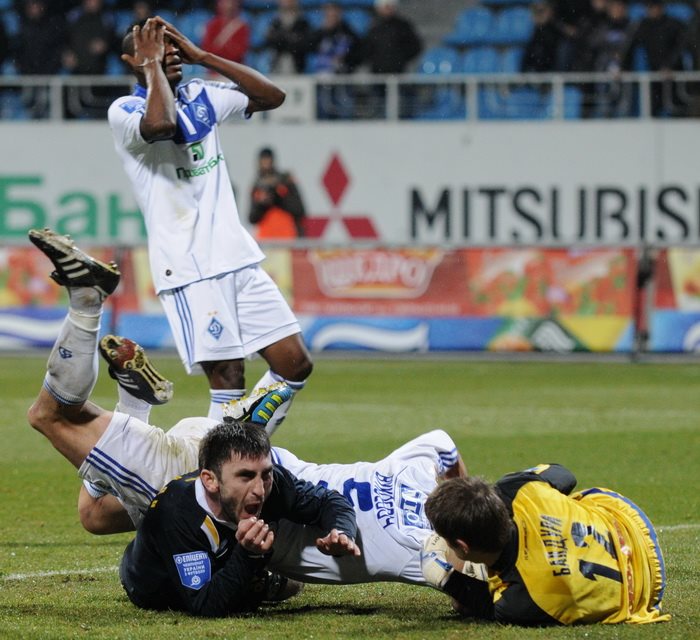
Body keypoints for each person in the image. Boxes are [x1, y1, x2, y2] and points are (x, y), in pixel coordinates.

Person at [26, 227, 479, 598]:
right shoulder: (418, 545)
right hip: (198, 472)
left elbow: (444, 447)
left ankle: (143, 403)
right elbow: (480, 590)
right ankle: (87, 300)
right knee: (51, 417)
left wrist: (463, 492)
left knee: (95, 515)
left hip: (243, 458)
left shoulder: (415, 469)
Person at [107, 16, 313, 429]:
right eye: (156, 48)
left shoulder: (201, 94)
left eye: (171, 46)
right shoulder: (125, 111)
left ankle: (237, 449)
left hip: (236, 256)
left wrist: (204, 57)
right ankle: (225, 464)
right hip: (189, 267)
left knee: (294, 365)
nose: (169, 53)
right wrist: (152, 67)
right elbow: (161, 125)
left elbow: (272, 96)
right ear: (133, 60)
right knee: (229, 377)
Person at [422, 464, 670, 625]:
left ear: (463, 546)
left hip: (642, 594)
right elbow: (565, 475)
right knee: (565, 501)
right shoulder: (518, 489)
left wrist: (447, 580)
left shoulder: (521, 599)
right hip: (629, 523)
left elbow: (486, 607)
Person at [621, 0, 686, 116]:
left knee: (677, 109)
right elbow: (630, 47)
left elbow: (680, 48)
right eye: (649, 7)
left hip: (674, 74)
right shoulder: (643, 25)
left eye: (655, 7)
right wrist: (622, 67)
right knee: (652, 109)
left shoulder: (674, 25)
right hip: (654, 75)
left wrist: (669, 66)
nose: (652, 10)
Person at [248, 147, 307, 240]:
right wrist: (263, 204)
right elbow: (252, 218)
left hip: (288, 237)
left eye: (268, 160)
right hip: (265, 239)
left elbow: (300, 211)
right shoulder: (258, 186)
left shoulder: (285, 182)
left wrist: (280, 197)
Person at [264, 0, 312, 74]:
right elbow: (270, 41)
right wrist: (290, 38)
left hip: (297, 66)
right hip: (277, 64)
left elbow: (304, 44)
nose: (286, 2)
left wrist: (282, 39)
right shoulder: (275, 21)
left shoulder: (302, 22)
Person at [200, 0, 250, 69]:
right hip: (214, 69)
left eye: (231, 2)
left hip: (234, 69)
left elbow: (239, 53)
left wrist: (218, 52)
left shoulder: (242, 26)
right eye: (225, 2)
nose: (228, 5)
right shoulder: (212, 24)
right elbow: (206, 49)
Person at [520, 1, 561, 73]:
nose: (539, 14)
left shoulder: (555, 30)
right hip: (536, 67)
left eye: (541, 11)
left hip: (551, 66)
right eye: (537, 11)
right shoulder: (533, 33)